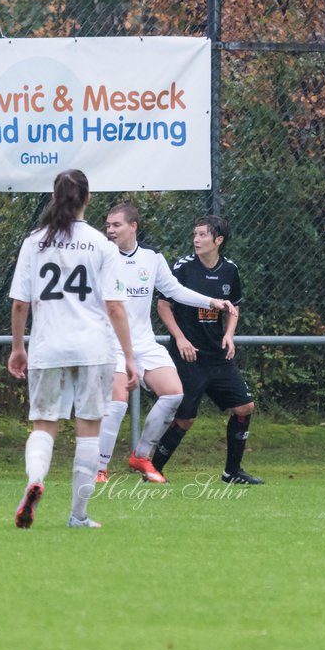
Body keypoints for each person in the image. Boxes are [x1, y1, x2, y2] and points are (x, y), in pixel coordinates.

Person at [8, 169, 137, 530]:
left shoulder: (34, 242)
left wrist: (19, 347)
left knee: (43, 424)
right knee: (89, 429)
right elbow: (114, 306)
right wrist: (129, 356)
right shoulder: (101, 244)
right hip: (93, 346)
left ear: (54, 196)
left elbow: (21, 303)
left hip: (48, 346)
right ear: (88, 199)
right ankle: (78, 515)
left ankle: (35, 480)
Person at [96, 203, 237, 483]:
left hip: (144, 343)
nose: (110, 230)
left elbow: (174, 290)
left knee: (173, 394)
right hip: (108, 342)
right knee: (119, 402)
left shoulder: (151, 257)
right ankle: (99, 468)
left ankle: (141, 456)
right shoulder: (100, 256)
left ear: (133, 226)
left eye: (116, 225)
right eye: (108, 225)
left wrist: (212, 301)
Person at [151, 214, 262, 485]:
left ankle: (232, 472)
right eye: (195, 234)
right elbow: (163, 305)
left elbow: (233, 308)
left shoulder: (230, 270)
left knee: (245, 407)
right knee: (185, 419)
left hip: (218, 356)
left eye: (202, 235)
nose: (196, 239)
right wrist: (180, 339)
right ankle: (152, 470)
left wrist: (229, 336)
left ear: (218, 240)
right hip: (189, 356)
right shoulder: (183, 267)